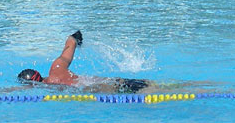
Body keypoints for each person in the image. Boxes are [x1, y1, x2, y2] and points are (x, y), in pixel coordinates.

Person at [17, 31, 152, 94]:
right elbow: (69, 45)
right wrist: (74, 37)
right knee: (154, 86)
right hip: (114, 81)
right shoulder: (57, 67)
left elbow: (15, 90)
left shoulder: (45, 87)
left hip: (106, 89)